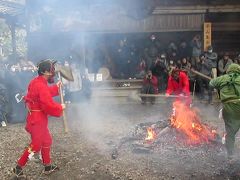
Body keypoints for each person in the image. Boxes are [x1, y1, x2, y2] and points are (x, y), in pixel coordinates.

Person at [12, 59, 66, 178]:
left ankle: (47, 166)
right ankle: (18, 167)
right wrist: (60, 107)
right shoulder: (40, 85)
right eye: (52, 70)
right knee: (36, 145)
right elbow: (46, 104)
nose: (53, 72)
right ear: (46, 72)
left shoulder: (37, 82)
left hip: (36, 117)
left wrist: (56, 88)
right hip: (37, 119)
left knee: (47, 141)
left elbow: (44, 93)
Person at [209, 63, 240, 160]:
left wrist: (219, 86)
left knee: (230, 133)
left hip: (229, 107)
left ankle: (230, 155)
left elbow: (211, 84)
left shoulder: (222, 78)